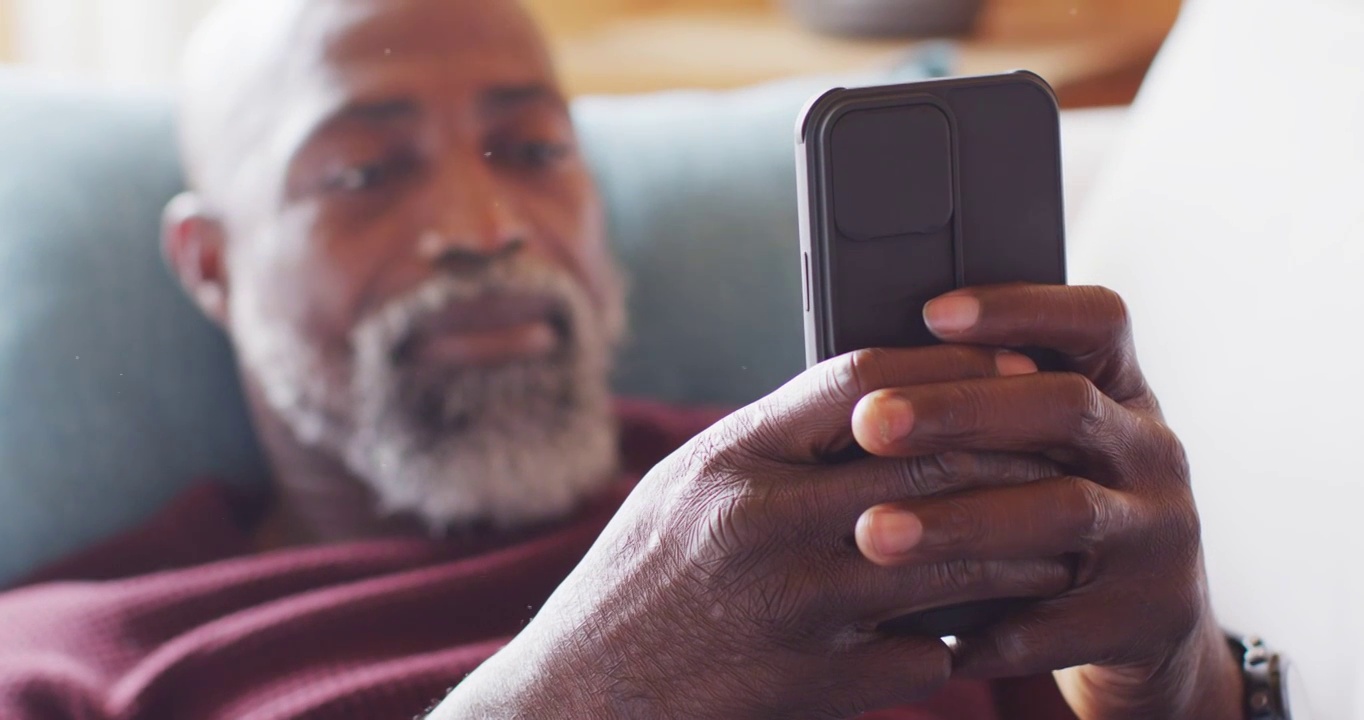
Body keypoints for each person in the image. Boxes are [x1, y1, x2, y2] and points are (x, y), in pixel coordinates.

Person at [0, 0, 1248, 718]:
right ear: (211, 264)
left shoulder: (847, 496)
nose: (484, 232)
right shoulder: (69, 657)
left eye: (530, 152)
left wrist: (1169, 667)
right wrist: (586, 691)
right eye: (364, 173)